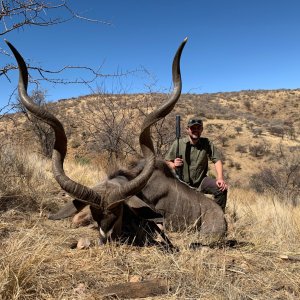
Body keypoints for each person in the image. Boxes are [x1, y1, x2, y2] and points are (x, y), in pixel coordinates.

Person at [165, 117, 228, 211]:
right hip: (181, 183)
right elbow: (166, 162)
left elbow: (217, 160)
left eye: (198, 128)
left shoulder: (206, 143)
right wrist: (174, 165)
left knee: (221, 189)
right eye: (192, 128)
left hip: (200, 182)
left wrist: (220, 178)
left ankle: (216, 216)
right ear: (187, 130)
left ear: (201, 129)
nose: (195, 130)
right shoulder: (178, 143)